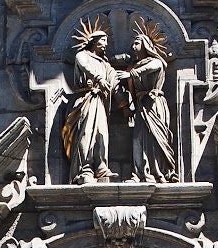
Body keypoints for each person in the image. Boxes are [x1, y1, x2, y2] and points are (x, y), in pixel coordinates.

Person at [62, 16, 118, 184]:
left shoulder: (105, 63)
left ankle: (101, 166)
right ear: (93, 41)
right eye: (103, 40)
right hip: (86, 99)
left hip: (100, 101)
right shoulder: (82, 55)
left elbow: (113, 80)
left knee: (101, 134)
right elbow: (85, 66)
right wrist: (99, 78)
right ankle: (84, 168)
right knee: (87, 133)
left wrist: (124, 101)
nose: (106, 44)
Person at [123, 15, 177, 183]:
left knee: (154, 138)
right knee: (138, 138)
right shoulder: (134, 66)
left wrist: (130, 73)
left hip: (154, 104)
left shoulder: (155, 62)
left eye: (137, 43)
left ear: (146, 45)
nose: (133, 46)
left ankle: (158, 172)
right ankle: (140, 174)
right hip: (141, 106)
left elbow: (154, 67)